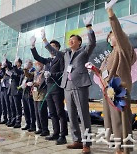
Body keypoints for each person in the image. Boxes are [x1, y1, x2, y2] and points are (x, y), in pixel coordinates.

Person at [86, 1, 137, 154]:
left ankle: (124, 149)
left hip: (119, 91)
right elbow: (103, 74)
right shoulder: (109, 55)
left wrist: (110, 13)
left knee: (121, 121)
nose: (110, 38)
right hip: (107, 92)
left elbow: (119, 33)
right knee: (111, 121)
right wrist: (95, 70)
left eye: (112, 35)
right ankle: (117, 147)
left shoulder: (123, 50)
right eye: (108, 37)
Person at [42, 13, 96, 153]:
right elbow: (53, 50)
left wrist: (89, 27)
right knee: (71, 115)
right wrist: (44, 39)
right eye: (69, 40)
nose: (70, 41)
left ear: (79, 42)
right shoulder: (65, 53)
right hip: (67, 86)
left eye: (73, 40)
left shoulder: (83, 52)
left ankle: (87, 144)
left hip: (80, 86)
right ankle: (76, 140)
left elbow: (92, 43)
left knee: (83, 115)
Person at [30, 36, 68, 145]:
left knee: (60, 112)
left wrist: (52, 75)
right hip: (48, 89)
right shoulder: (48, 61)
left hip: (57, 88)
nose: (51, 49)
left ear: (58, 48)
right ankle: (55, 133)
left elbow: (63, 73)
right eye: (50, 47)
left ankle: (63, 135)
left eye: (53, 47)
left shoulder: (61, 58)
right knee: (52, 112)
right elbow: (37, 56)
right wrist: (32, 46)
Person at [25, 61, 50, 136]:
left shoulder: (44, 72)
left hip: (42, 94)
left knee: (42, 112)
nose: (38, 66)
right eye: (37, 65)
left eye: (39, 64)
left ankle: (45, 129)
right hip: (35, 94)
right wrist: (25, 70)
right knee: (36, 112)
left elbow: (42, 82)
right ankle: (40, 128)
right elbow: (29, 75)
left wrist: (34, 84)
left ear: (42, 64)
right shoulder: (36, 72)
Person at [7, 58, 23, 128]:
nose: (15, 63)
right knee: (12, 106)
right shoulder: (13, 69)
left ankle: (18, 122)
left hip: (17, 91)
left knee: (17, 107)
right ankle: (13, 120)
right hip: (11, 90)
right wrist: (6, 59)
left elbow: (17, 76)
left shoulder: (21, 70)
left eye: (16, 62)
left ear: (19, 63)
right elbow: (10, 67)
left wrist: (12, 75)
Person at [21, 60, 36, 132]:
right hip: (24, 91)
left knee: (31, 109)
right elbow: (24, 78)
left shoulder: (33, 71)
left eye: (28, 63)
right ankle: (27, 123)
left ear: (31, 64)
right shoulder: (25, 72)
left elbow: (30, 77)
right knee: (26, 109)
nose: (26, 64)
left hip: (30, 92)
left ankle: (32, 125)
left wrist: (29, 83)